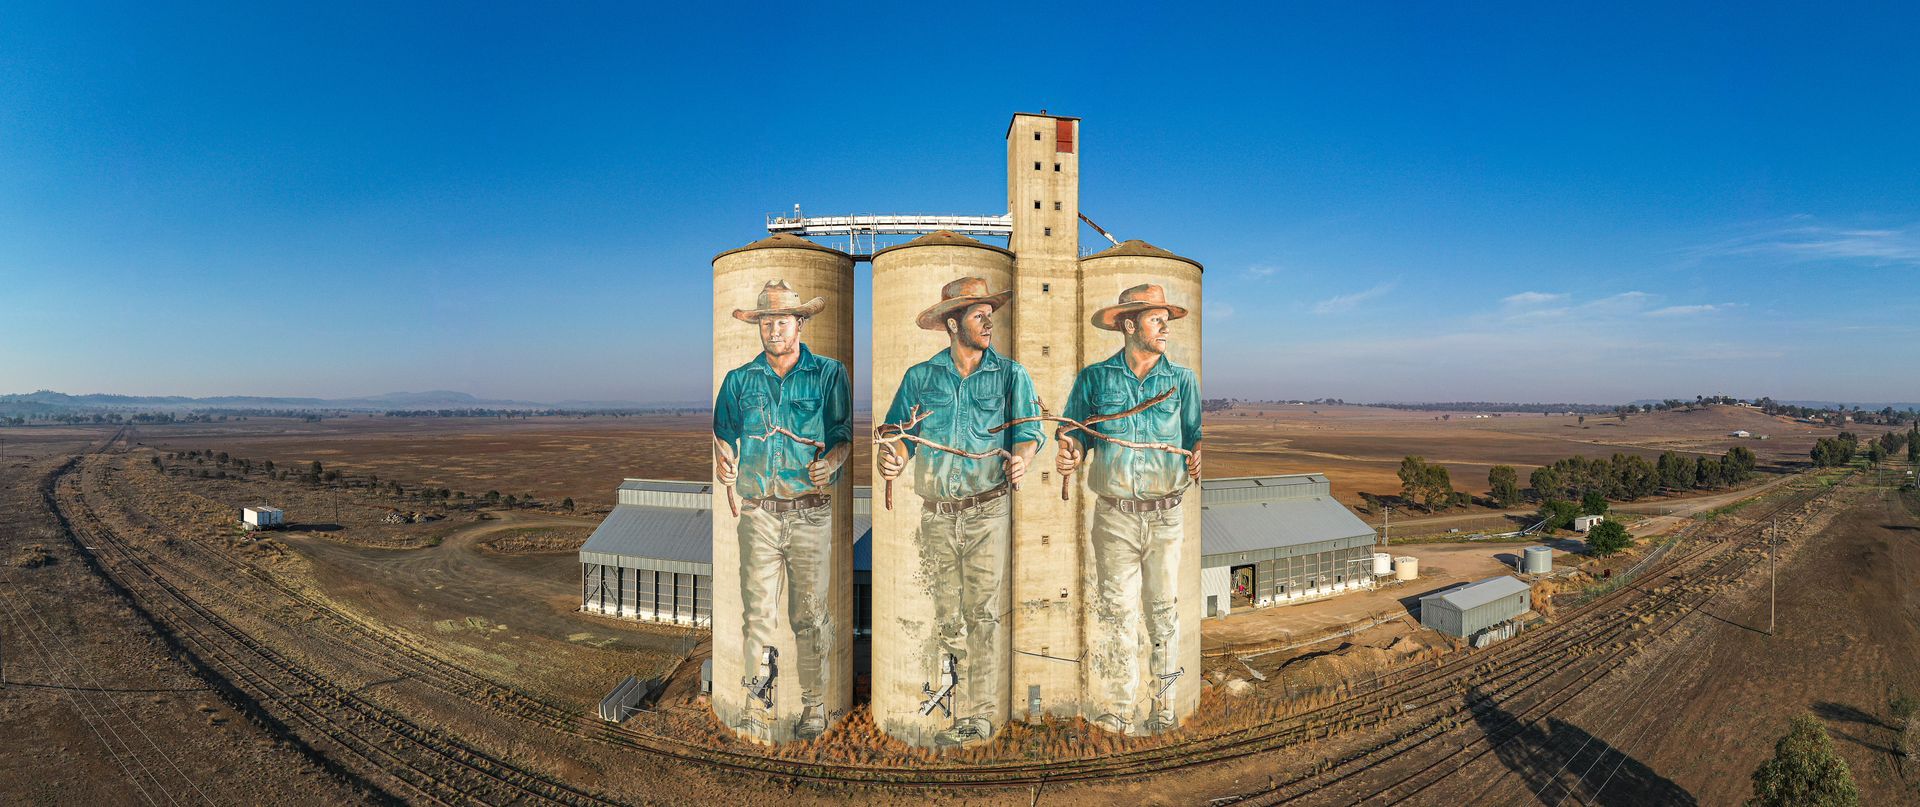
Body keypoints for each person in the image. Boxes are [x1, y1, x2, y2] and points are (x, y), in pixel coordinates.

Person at [878, 277, 1043, 746]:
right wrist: (891, 456)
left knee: (983, 614)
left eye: (991, 310)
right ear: (953, 323)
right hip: (935, 515)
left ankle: (981, 714)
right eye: (978, 313)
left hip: (987, 511)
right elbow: (896, 436)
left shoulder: (1012, 375)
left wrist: (1024, 458)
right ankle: (953, 703)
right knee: (947, 614)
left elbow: (1030, 432)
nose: (989, 319)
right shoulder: (920, 378)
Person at [1056, 283, 1202, 735]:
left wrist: (1200, 453)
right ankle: (1119, 709)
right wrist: (1070, 450)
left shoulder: (1182, 382)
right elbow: (1073, 430)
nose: (1165, 327)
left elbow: (1195, 432)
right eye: (1156, 319)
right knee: (1116, 614)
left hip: (1166, 515)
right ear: (1128, 324)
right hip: (1114, 516)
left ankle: (1163, 707)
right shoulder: (1094, 379)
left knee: (1162, 611)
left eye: (1167, 319)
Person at [713, 279, 851, 741]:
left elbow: (842, 435)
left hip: (810, 513)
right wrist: (724, 463)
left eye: (782, 321)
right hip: (759, 515)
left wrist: (830, 464)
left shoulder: (829, 374)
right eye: (765, 321)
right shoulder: (738, 381)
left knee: (809, 616)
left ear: (800, 323)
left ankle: (814, 707)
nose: (773, 329)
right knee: (757, 615)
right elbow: (723, 435)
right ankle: (758, 706)